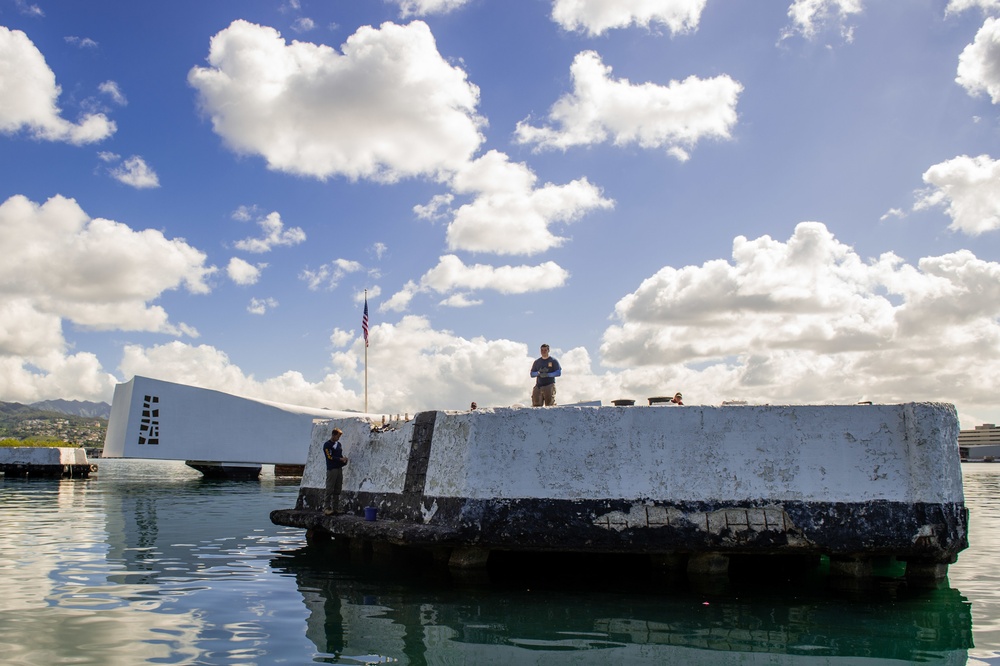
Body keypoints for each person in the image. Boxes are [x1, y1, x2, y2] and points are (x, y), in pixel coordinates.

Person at [322, 427, 348, 515]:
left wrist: (344, 460)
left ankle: (335, 507)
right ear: (333, 435)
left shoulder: (338, 444)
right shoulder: (327, 445)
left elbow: (339, 454)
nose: (338, 438)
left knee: (338, 488)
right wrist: (340, 459)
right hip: (331, 468)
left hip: (338, 468)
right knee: (329, 488)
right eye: (337, 436)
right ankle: (327, 508)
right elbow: (329, 456)